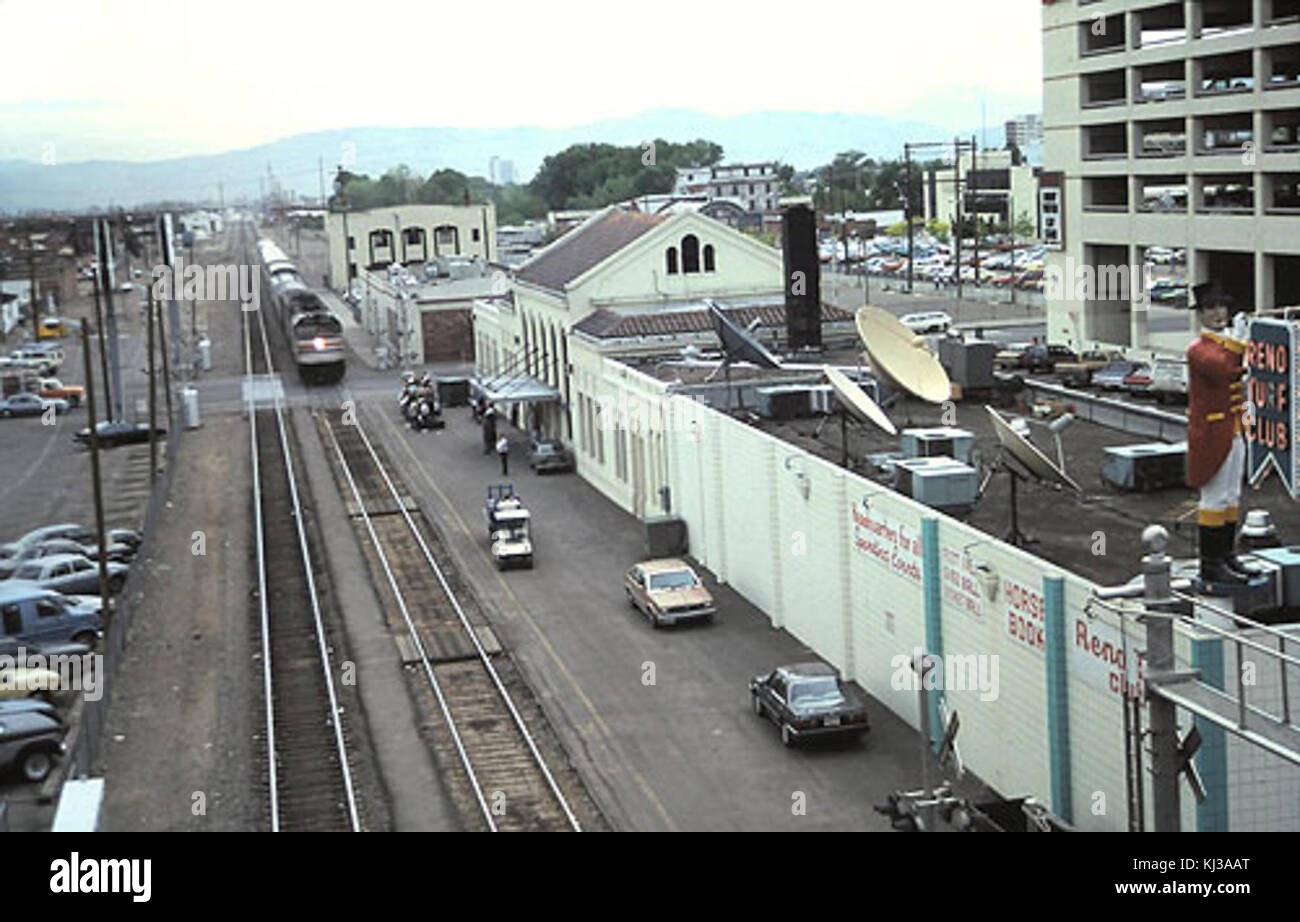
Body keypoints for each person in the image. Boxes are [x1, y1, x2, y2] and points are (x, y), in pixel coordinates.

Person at [1186, 281, 1251, 587]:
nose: (1218, 313)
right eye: (1210, 308)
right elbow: (1224, 369)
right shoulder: (1199, 349)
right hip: (1212, 432)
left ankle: (1226, 555)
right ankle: (1210, 564)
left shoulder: (1225, 344)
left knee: (1231, 496)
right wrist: (1239, 341)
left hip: (1234, 428)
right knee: (1213, 498)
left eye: (1221, 307)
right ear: (1199, 314)